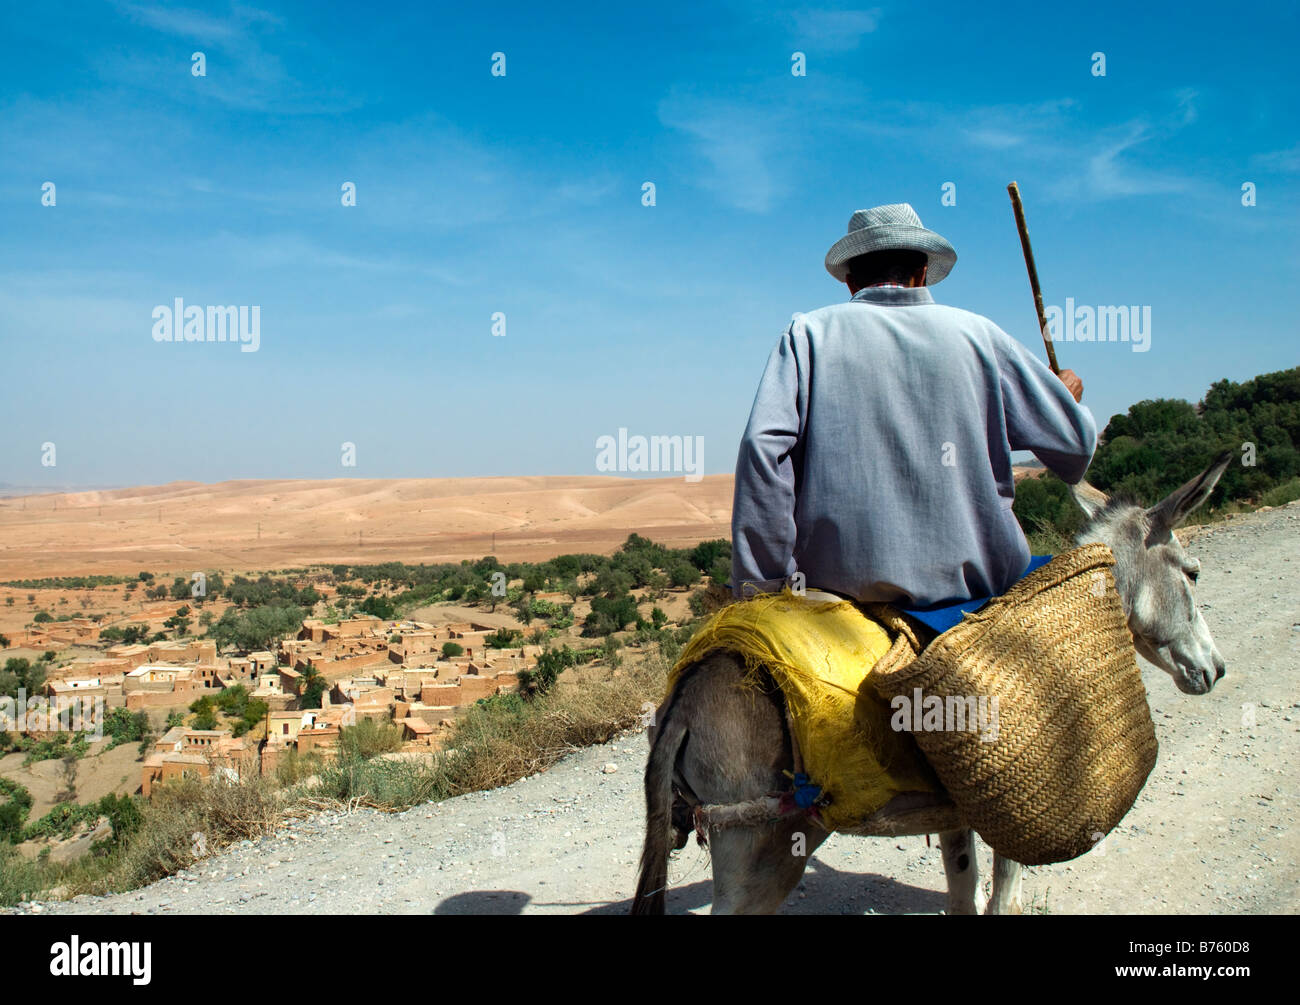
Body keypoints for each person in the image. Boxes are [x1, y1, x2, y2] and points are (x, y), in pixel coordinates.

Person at [730, 202, 1096, 611]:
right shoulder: (980, 336)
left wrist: (761, 590)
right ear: (922, 273)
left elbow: (762, 449)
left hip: (840, 602)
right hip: (976, 600)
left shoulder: (806, 335)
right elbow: (1074, 452)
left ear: (851, 283)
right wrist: (1063, 399)